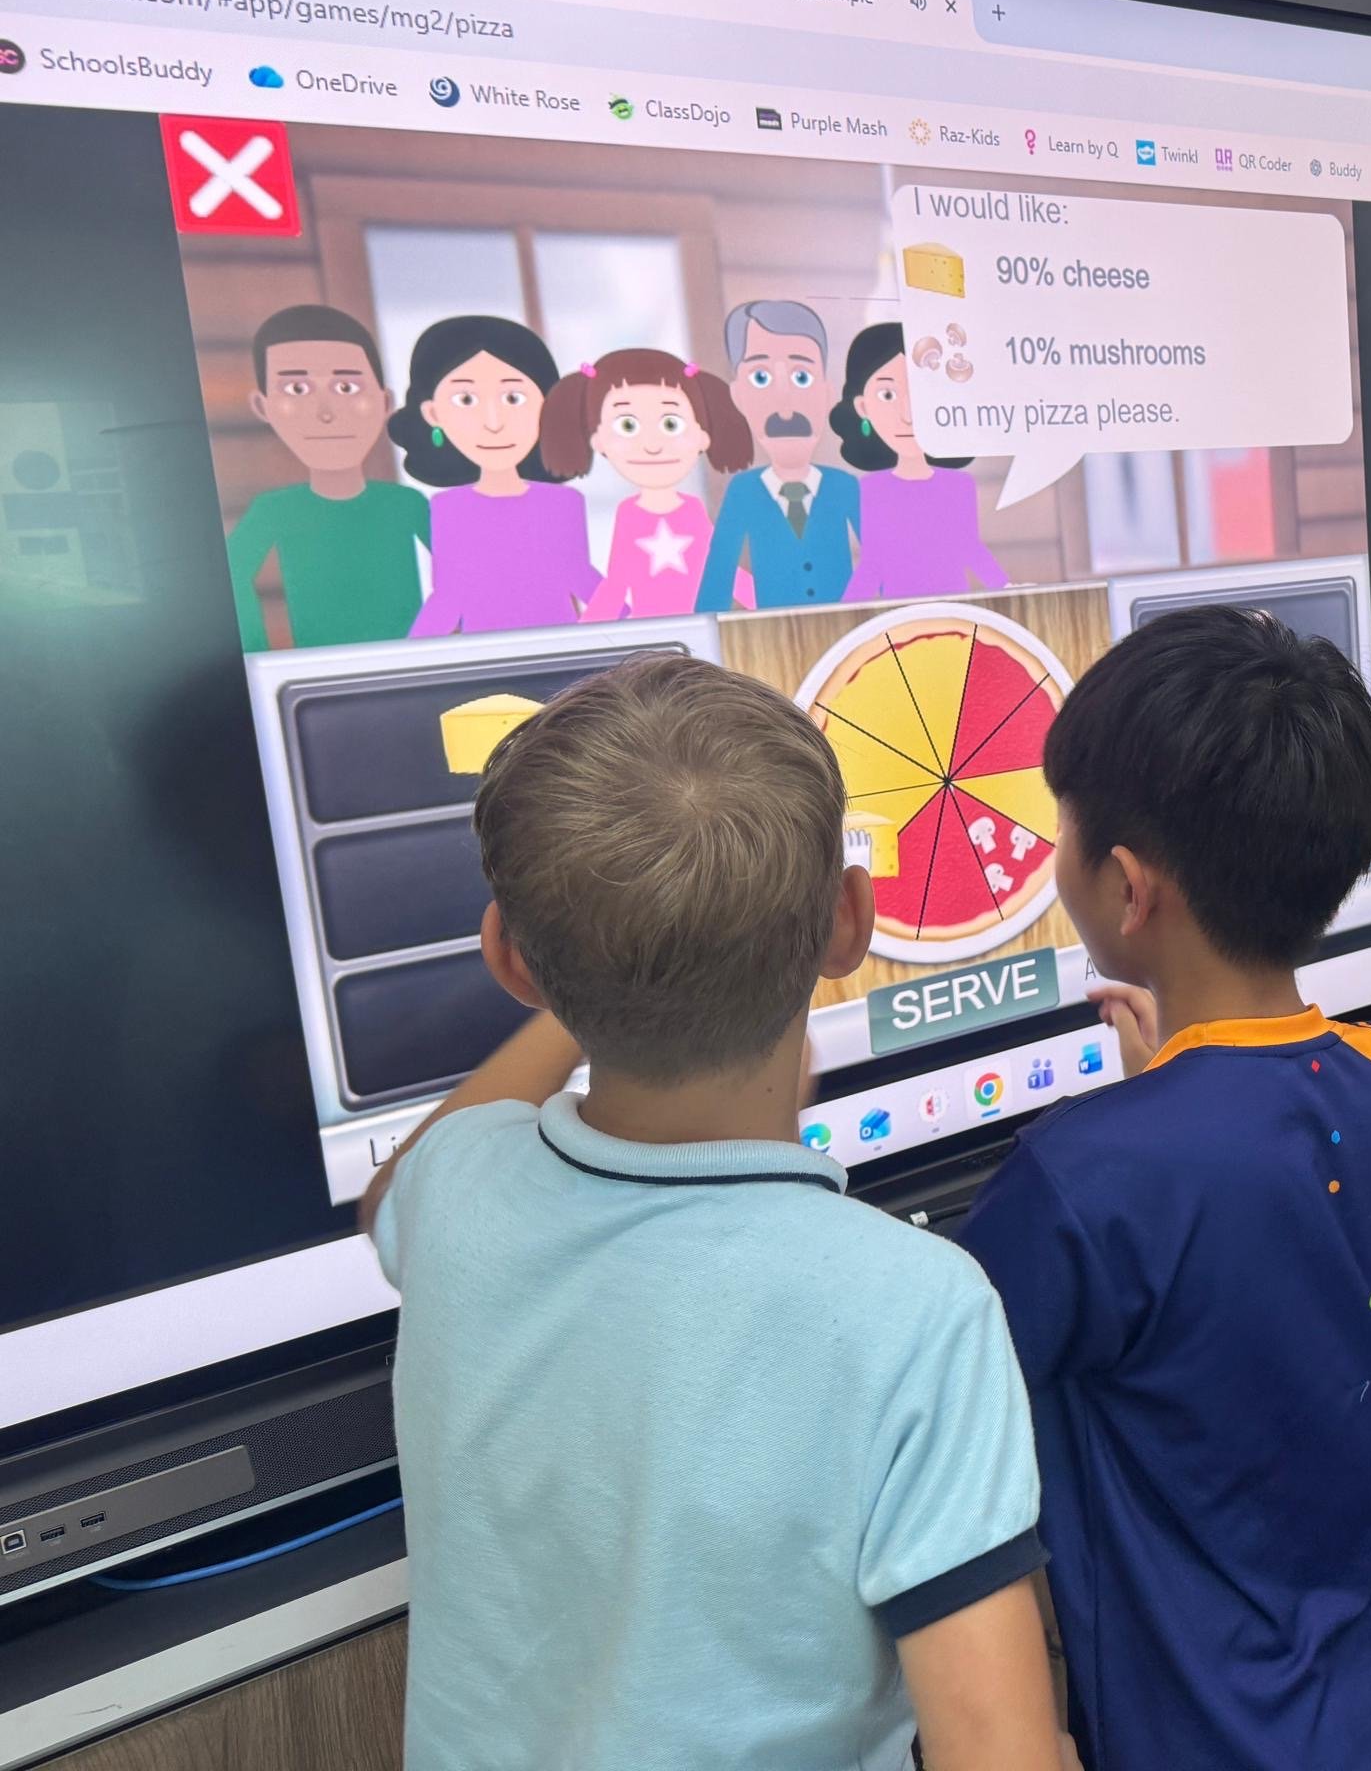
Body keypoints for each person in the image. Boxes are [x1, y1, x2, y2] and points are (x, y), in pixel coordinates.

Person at [359, 655, 1064, 1771]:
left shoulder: (456, 1193)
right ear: (851, 923)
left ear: (508, 958)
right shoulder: (914, 1307)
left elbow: (398, 1184)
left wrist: (583, 973)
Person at [958, 606, 1371, 1771]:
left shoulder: (1081, 1179)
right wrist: (1171, 1097)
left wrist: (1147, 1120)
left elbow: (955, 1404)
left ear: (1127, 888)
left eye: (1063, 832)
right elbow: (1264, 1208)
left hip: (1203, 1735)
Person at [224, 304, 428, 651]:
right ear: (263, 406)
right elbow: (231, 574)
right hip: (323, 675)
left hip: (409, 665)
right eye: (297, 390)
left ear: (384, 401)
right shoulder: (275, 509)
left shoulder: (405, 504)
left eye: (347, 387)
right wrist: (258, 652)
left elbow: (469, 573)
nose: (325, 413)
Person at [395, 315, 600, 637]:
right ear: (432, 414)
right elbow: (449, 597)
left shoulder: (563, 503)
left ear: (546, 406)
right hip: (486, 658)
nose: (493, 422)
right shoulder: (449, 509)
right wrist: (408, 657)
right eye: (466, 400)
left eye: (513, 398)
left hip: (565, 657)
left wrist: (637, 636)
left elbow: (582, 578)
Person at [538, 348, 756, 619]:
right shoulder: (629, 513)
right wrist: (592, 629)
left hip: (701, 628)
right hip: (653, 637)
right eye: (628, 426)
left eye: (670, 424)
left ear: (702, 436)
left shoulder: (691, 509)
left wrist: (768, 606)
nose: (652, 446)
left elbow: (721, 569)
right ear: (598, 440)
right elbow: (617, 583)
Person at [697, 300, 865, 610]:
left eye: (802, 377)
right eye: (760, 378)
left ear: (828, 392)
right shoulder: (743, 490)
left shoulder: (845, 485)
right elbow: (720, 571)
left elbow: (882, 561)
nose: (784, 404)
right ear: (738, 395)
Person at [833, 321, 1008, 601]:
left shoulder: (959, 485)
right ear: (863, 407)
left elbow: (970, 548)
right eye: (888, 395)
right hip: (899, 615)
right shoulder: (871, 489)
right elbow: (873, 563)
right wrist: (847, 611)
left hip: (955, 610)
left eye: (921, 394)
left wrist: (1005, 588)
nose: (908, 414)